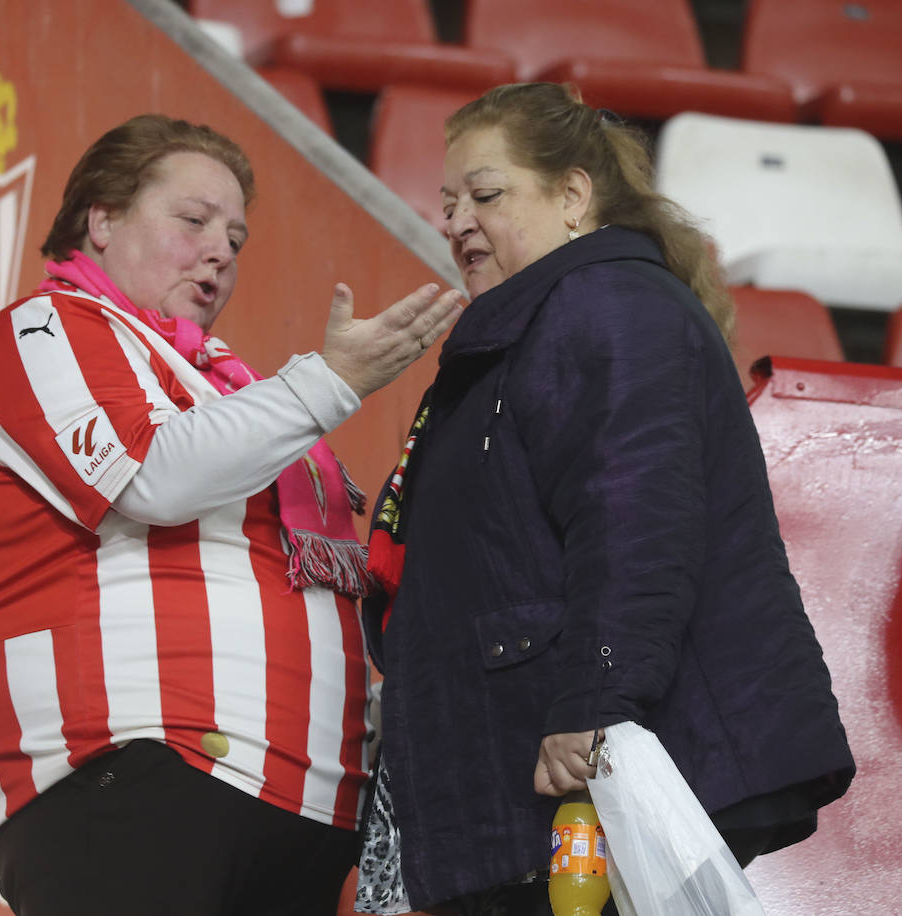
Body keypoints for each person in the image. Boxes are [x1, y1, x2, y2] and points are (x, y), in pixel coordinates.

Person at [0, 113, 462, 916]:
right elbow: (148, 474)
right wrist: (329, 381)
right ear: (100, 220)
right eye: (193, 220)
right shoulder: (41, 330)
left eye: (237, 238)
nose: (221, 250)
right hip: (130, 784)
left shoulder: (232, 395)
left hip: (299, 818)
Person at [356, 83, 856, 916]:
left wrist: (596, 699)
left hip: (591, 760)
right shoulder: (548, 317)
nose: (456, 223)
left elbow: (637, 519)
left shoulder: (609, 303)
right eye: (447, 204)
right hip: (537, 764)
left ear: (574, 195)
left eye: (485, 195)